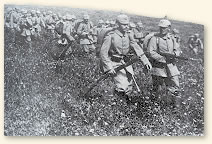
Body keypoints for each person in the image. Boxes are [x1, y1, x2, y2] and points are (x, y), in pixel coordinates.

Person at [100, 14, 152, 104]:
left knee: (129, 85)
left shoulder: (129, 35)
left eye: (127, 24)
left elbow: (137, 48)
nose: (126, 26)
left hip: (127, 63)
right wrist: (108, 67)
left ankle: (123, 105)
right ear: (117, 24)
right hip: (114, 63)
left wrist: (145, 61)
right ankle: (117, 104)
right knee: (121, 85)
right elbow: (103, 53)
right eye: (124, 24)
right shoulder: (110, 36)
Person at [147, 19, 182, 108]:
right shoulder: (155, 39)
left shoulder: (172, 38)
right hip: (159, 67)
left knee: (175, 86)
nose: (162, 29)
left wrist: (175, 54)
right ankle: (154, 107)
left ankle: (175, 108)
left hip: (171, 66)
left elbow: (177, 49)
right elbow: (151, 52)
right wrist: (162, 59)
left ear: (169, 28)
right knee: (157, 88)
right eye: (161, 27)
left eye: (164, 28)